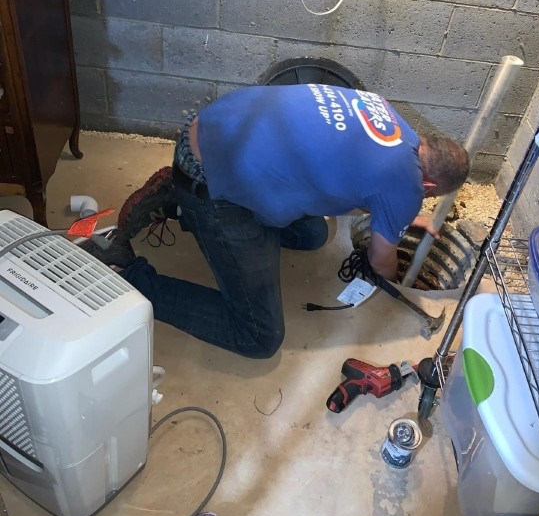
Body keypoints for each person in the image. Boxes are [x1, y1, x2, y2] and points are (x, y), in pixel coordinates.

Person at [84, 84, 469, 359]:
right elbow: (381, 263)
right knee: (258, 337)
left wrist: (396, 216)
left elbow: (361, 173)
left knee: (313, 233)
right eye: (428, 194)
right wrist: (397, 278)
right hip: (209, 180)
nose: (424, 197)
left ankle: (181, 200)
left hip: (211, 126)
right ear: (430, 184)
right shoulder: (404, 184)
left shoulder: (390, 116)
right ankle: (130, 273)